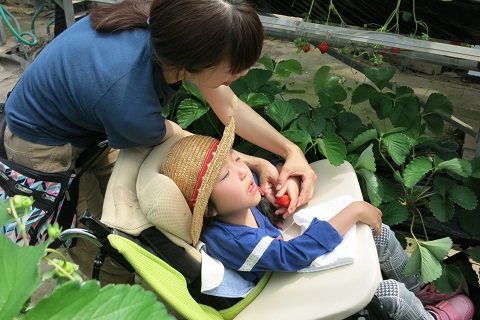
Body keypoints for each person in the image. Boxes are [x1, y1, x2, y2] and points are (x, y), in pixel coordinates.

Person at [3, 0, 316, 285]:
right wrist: (254, 162)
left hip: (92, 118)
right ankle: (118, 299)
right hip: (42, 143)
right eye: (233, 69)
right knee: (101, 237)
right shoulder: (130, 102)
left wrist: (290, 151)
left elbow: (230, 108)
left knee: (127, 214)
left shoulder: (171, 30)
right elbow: (176, 135)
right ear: (191, 63)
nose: (243, 72)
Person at [160, 117, 475, 320]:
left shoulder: (243, 201)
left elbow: (272, 192)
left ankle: (418, 288)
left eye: (236, 159)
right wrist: (351, 211)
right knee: (385, 292)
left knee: (376, 233)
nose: (244, 170)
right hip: (287, 287)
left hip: (291, 262)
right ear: (209, 209)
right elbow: (289, 256)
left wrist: (289, 188)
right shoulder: (228, 239)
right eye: (227, 174)